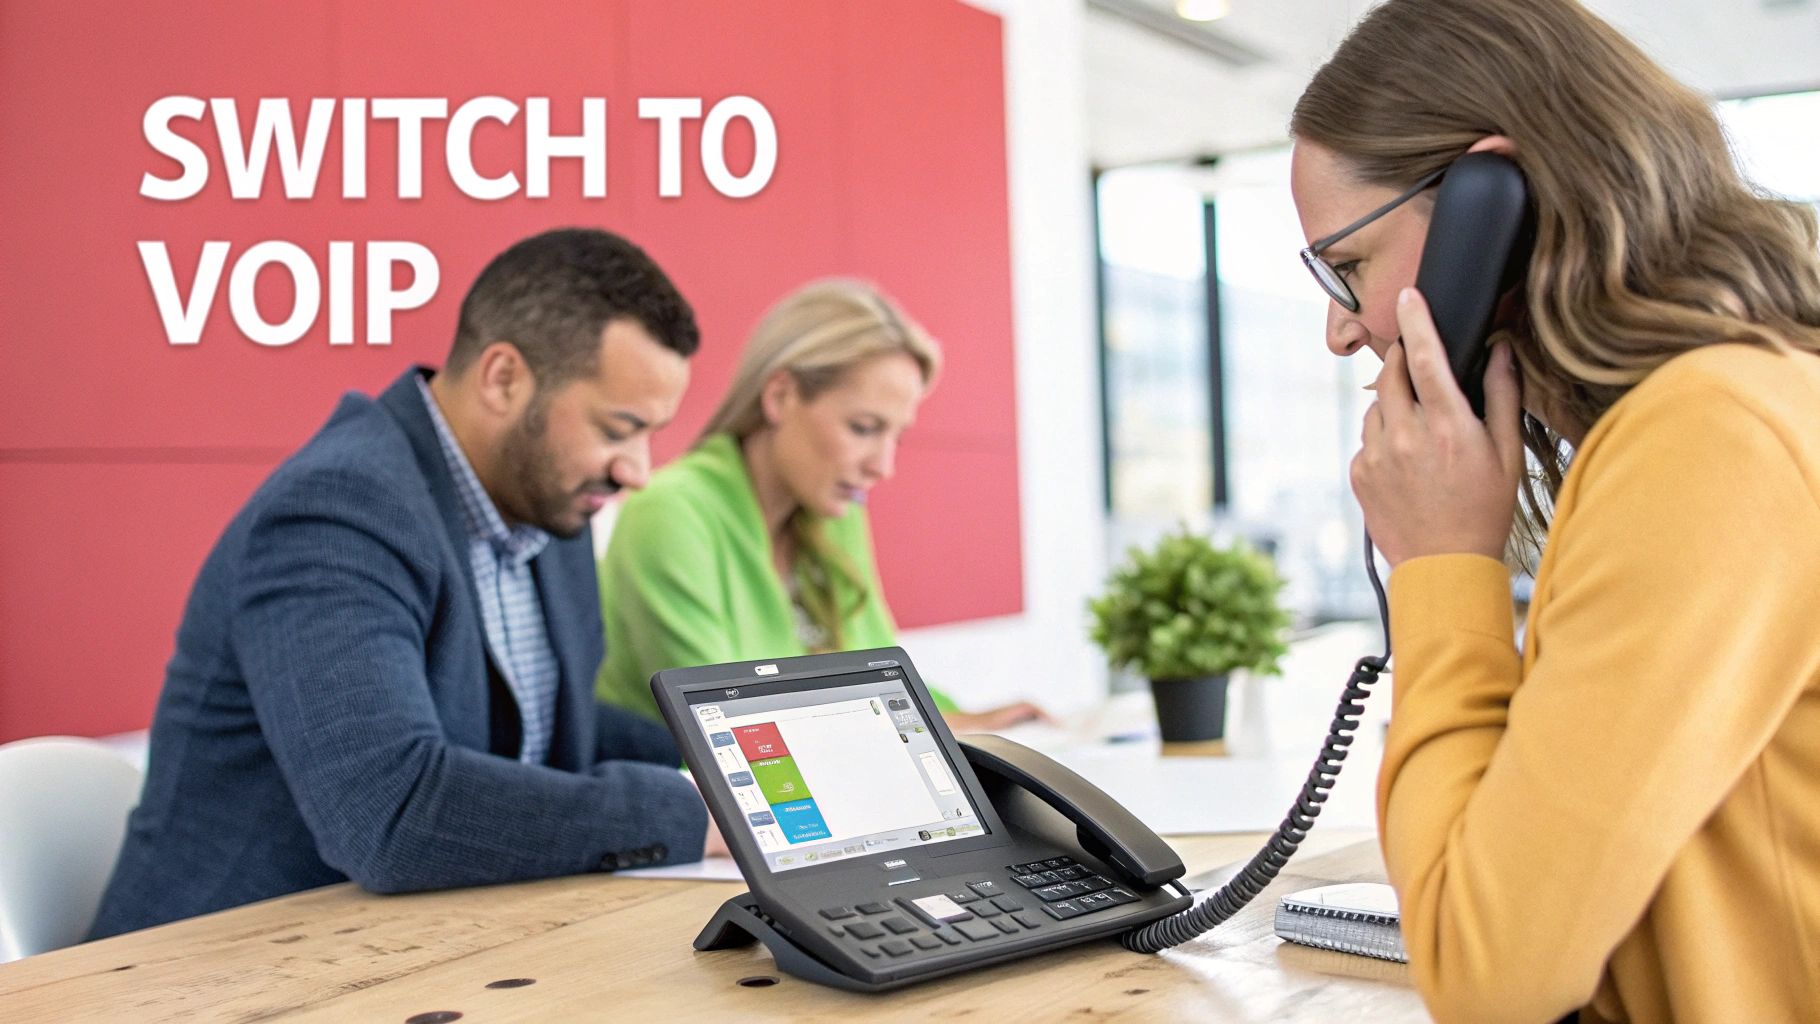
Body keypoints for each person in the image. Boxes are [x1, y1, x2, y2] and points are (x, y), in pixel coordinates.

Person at [1286, 1, 1820, 1020]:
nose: (1339, 328)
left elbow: (1489, 973)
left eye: (1345, 266)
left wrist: (1441, 567)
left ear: (1493, 201)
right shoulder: (1731, 404)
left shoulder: (1709, 434)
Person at [90, 228, 723, 940]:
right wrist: (688, 813)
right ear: (504, 377)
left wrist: (734, 762)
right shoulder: (337, 508)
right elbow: (389, 810)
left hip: (413, 951)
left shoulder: (545, 501)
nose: (636, 469)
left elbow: (542, 726)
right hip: (206, 973)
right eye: (619, 428)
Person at [595, 280, 1047, 732]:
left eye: (896, 435)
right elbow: (733, 724)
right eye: (863, 427)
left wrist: (975, 725)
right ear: (780, 397)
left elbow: (880, 674)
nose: (883, 466)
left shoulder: (835, 511)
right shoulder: (670, 512)